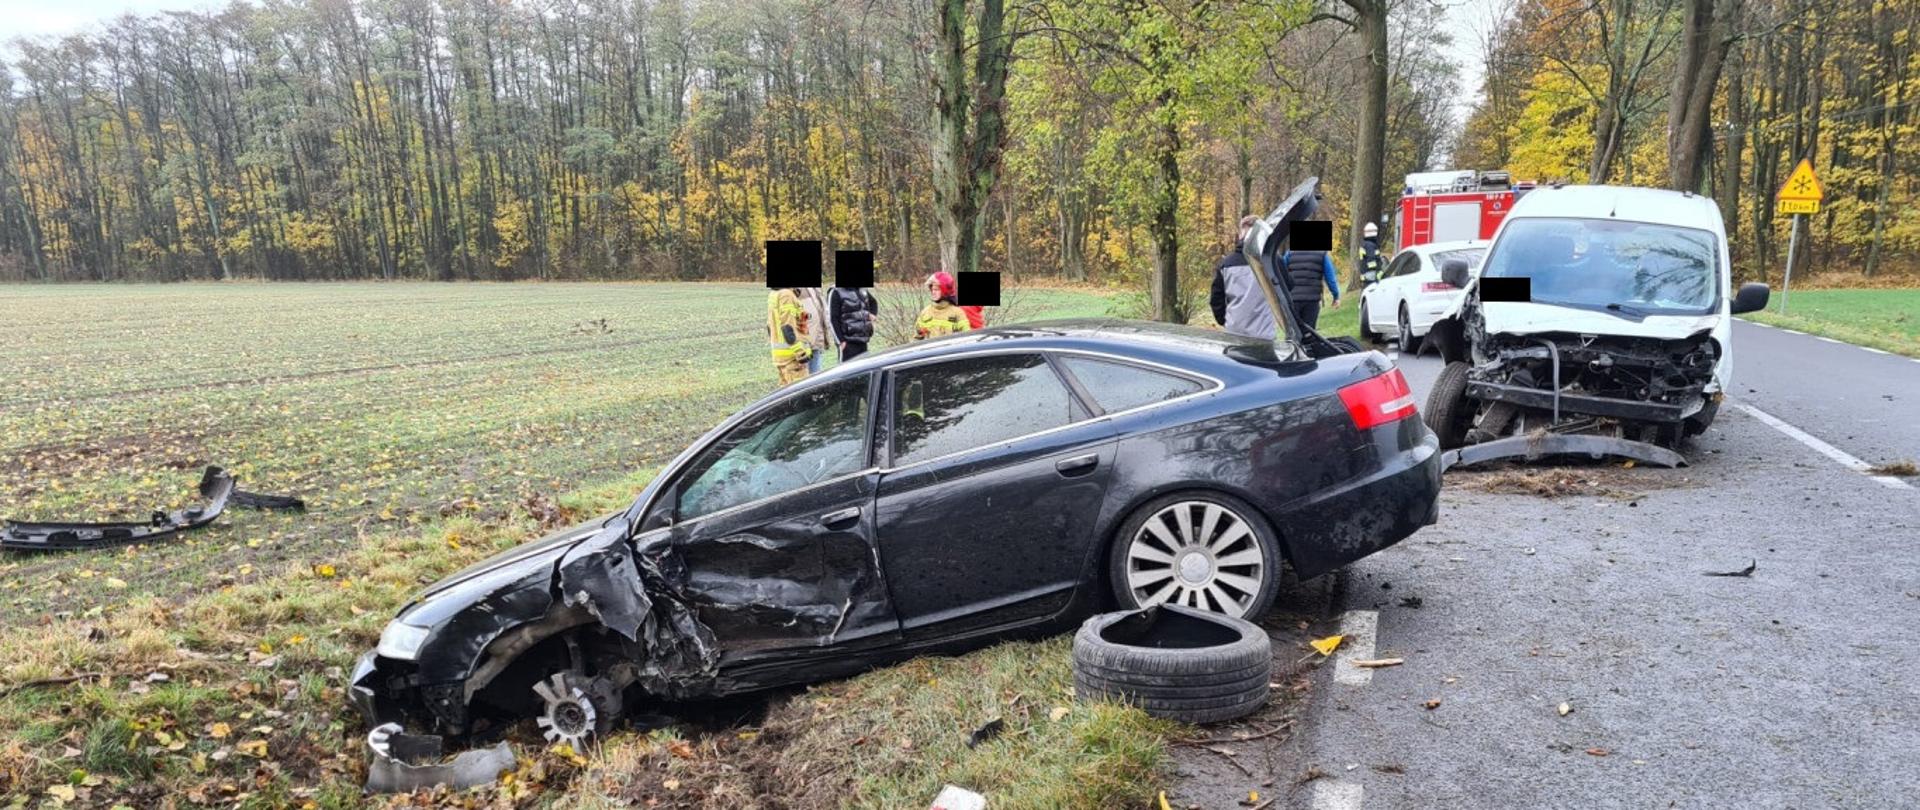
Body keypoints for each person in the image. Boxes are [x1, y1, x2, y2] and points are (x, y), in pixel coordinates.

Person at [1209, 215, 1284, 339]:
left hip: (1234, 331)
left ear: (1240, 235)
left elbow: (1216, 299)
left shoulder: (1225, 264)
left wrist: (1225, 320)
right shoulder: (1273, 261)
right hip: (1264, 333)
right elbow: (1288, 289)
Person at [1281, 237, 1341, 331]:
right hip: (1312, 300)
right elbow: (1330, 279)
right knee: (1309, 332)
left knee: (1293, 331)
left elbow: (1281, 271)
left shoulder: (1290, 253)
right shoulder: (1322, 254)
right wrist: (1336, 296)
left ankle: (1293, 345)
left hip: (1293, 299)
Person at [767, 287, 814, 386]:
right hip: (793, 359)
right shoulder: (787, 295)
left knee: (787, 396)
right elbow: (787, 327)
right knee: (800, 395)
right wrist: (800, 352)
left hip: (782, 358)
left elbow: (769, 326)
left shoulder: (774, 294)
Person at [829, 282, 879, 361]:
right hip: (847, 343)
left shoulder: (862, 290)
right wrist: (841, 342)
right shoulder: (836, 291)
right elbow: (832, 319)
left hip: (863, 340)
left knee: (864, 371)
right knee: (847, 372)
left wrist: (872, 315)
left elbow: (873, 302)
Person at [914, 272, 972, 340]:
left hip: (950, 350)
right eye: (932, 289)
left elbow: (967, 338)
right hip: (931, 350)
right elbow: (917, 339)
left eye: (936, 289)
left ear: (945, 291)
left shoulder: (957, 313)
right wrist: (921, 333)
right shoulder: (925, 312)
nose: (933, 292)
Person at [797, 287, 831, 374]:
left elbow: (821, 311)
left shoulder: (816, 289)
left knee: (816, 375)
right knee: (803, 377)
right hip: (803, 341)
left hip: (816, 337)